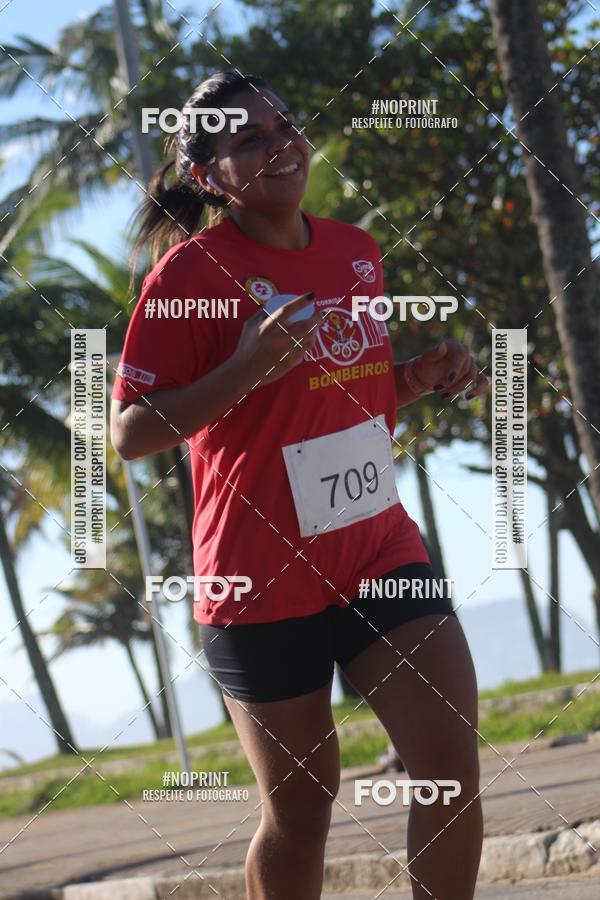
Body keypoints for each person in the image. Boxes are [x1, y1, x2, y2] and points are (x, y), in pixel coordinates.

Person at [110, 71, 489, 900]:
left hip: (375, 546)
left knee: (449, 766)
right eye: (247, 139)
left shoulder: (355, 250)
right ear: (211, 177)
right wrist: (244, 368)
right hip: (259, 575)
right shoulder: (190, 276)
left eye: (283, 124)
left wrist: (420, 376)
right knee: (302, 815)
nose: (279, 143)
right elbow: (131, 431)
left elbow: (343, 390)